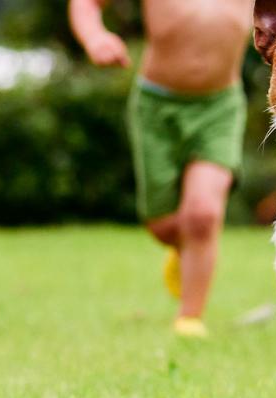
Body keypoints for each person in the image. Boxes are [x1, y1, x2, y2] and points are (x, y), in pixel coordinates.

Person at [69, 0, 253, 337]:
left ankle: (190, 318)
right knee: (163, 225)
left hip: (220, 108)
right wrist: (95, 37)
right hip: (156, 107)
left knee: (202, 215)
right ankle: (180, 246)